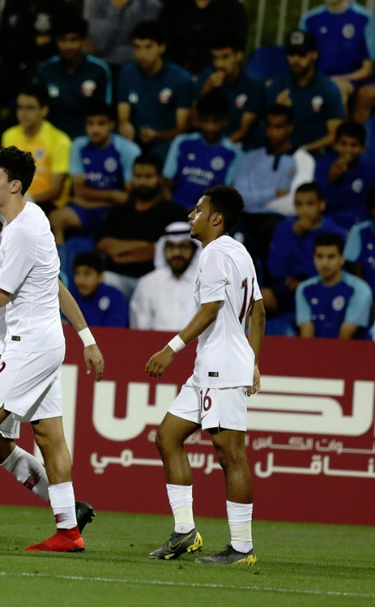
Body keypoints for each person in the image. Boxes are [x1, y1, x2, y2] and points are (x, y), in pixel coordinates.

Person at [0, 146, 105, 552]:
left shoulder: (22, 231)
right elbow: (55, 285)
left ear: (15, 185)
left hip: (28, 344)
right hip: (46, 341)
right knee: (49, 435)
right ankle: (68, 530)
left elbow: (2, 296)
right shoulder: (32, 218)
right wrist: (87, 338)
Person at [144, 185, 263, 566]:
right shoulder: (239, 252)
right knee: (168, 436)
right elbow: (258, 313)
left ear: (217, 218)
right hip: (214, 366)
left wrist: (170, 349)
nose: (191, 214)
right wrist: (253, 360)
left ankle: (242, 548)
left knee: (230, 455)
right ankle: (184, 532)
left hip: (221, 367)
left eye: (198, 209)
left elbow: (211, 308)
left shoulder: (213, 254)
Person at [0, 0, 79, 148]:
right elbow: (2, 44)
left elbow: (58, 44)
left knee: (28, 100)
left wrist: (26, 45)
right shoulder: (13, 5)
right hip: (14, 66)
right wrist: (32, 43)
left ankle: (7, 143)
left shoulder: (59, 7)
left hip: (44, 69)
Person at [96, 153, 188, 297]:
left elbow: (162, 252)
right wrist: (145, 245)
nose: (142, 182)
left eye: (148, 177)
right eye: (138, 176)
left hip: (156, 279)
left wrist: (121, 256)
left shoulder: (174, 213)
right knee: (106, 280)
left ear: (160, 179)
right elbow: (104, 244)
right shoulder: (118, 211)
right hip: (120, 278)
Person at [50, 102, 140, 244]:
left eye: (101, 124)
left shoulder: (129, 150)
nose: (95, 129)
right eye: (90, 124)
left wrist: (88, 201)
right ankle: (58, 263)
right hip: (89, 207)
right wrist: (112, 195)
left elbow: (127, 197)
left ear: (112, 124)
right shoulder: (79, 146)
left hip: (116, 210)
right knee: (56, 218)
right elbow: (79, 191)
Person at [264, 183, 347, 313]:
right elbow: (275, 269)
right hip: (287, 289)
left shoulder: (334, 232)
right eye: (299, 204)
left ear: (321, 205)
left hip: (321, 289)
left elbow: (336, 270)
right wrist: (294, 235)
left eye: (310, 204)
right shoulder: (285, 228)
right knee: (258, 299)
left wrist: (305, 285)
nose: (304, 210)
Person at [116, 21, 193, 160]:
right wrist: (125, 125)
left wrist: (158, 135)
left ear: (161, 47)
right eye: (137, 47)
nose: (142, 53)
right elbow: (123, 116)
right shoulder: (127, 73)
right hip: (133, 141)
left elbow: (182, 129)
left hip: (166, 143)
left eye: (148, 47)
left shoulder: (181, 78)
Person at [266, 30, 345, 152]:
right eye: (291, 54)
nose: (296, 59)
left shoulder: (328, 88)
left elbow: (334, 135)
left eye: (301, 54)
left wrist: (302, 151)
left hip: (317, 155)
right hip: (282, 154)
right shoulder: (277, 86)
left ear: (314, 55)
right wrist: (280, 111)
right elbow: (267, 130)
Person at [34, 19, 113, 141]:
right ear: (56, 42)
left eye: (73, 40)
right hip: (52, 140)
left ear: (83, 41)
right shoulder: (45, 69)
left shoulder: (99, 70)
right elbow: (38, 110)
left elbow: (104, 111)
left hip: (88, 140)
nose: (68, 46)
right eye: (63, 40)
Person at [163, 90, 244, 209]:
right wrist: (171, 209)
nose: (210, 127)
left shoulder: (234, 154)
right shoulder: (182, 142)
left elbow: (225, 197)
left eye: (215, 121)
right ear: (198, 119)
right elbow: (166, 182)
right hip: (175, 209)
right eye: (205, 121)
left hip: (207, 217)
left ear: (225, 120)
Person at [235, 105, 316, 218]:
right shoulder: (250, 157)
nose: (273, 132)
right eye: (270, 127)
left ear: (289, 127)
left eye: (278, 127)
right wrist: (273, 194)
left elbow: (296, 203)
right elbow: (238, 199)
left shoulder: (304, 160)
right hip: (245, 217)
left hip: (279, 219)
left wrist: (257, 204)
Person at [0, 85, 72, 210]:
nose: (23, 114)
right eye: (20, 108)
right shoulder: (9, 135)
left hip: (48, 205)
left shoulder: (60, 141)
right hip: (15, 201)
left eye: (30, 108)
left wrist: (28, 200)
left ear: (44, 110)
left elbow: (56, 190)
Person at [299, 0, 375, 106]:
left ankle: (340, 122)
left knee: (337, 90)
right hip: (316, 79)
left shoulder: (365, 18)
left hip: (351, 81)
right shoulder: (309, 19)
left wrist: (339, 80)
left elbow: (367, 70)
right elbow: (301, 60)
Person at [296, 232, 373, 338]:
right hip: (315, 352)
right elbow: (306, 333)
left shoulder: (359, 289)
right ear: (314, 259)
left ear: (342, 259)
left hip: (350, 352)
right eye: (319, 256)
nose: (324, 263)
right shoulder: (304, 289)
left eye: (331, 257)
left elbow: (345, 337)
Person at [196, 33, 265, 148]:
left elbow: (243, 130)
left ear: (239, 56)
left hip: (240, 148)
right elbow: (195, 121)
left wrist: (219, 148)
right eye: (215, 58)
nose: (220, 64)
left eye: (225, 57)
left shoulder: (254, 84)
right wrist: (206, 90)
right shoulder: (206, 77)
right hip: (208, 144)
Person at [130, 222, 200, 331]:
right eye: (171, 246)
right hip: (156, 346)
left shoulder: (207, 282)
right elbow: (140, 329)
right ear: (162, 249)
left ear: (194, 250)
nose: (177, 253)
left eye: (183, 246)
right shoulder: (148, 283)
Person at [313, 120, 375, 229]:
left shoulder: (369, 172)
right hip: (325, 223)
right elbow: (317, 203)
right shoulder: (322, 166)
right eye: (343, 144)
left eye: (353, 145)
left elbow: (365, 209)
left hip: (353, 226)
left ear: (363, 148)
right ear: (335, 145)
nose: (347, 150)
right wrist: (330, 181)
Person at [159, 0, 247, 76]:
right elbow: (162, 46)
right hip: (175, 81)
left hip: (218, 80)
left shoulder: (234, 9)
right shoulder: (171, 6)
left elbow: (238, 50)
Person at [87, 0, 161, 71]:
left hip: (137, 65)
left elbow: (147, 40)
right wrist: (116, 9)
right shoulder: (98, 4)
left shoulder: (150, 4)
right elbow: (99, 45)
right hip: (105, 64)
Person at [69, 252, 128, 327]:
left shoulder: (114, 297)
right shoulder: (70, 296)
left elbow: (115, 332)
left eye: (87, 273)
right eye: (77, 273)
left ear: (100, 276)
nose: (80, 280)